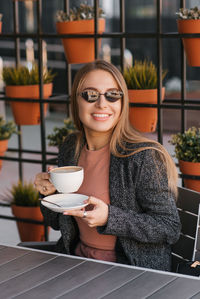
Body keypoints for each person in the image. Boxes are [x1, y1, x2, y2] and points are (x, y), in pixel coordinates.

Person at [34, 59, 181, 271]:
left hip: (130, 271)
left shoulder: (143, 157)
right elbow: (57, 222)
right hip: (77, 261)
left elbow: (168, 227)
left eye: (112, 95)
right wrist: (47, 195)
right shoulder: (71, 148)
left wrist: (110, 218)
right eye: (90, 95)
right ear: (76, 102)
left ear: (122, 103)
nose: (102, 104)